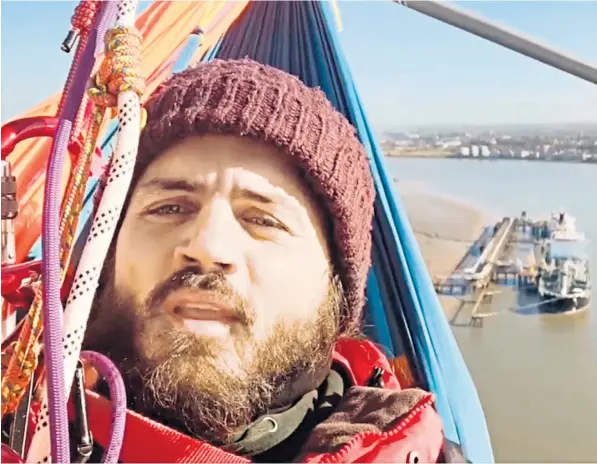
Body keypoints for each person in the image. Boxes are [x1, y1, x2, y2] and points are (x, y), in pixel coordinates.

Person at [74, 58, 467, 463]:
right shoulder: (21, 423)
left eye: (263, 220)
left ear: (336, 288)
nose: (208, 245)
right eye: (169, 208)